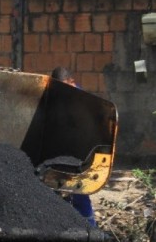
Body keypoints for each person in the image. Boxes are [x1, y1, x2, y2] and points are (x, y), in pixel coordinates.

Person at [50, 66, 98, 228]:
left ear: (72, 82)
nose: (61, 91)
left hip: (80, 152)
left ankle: (90, 228)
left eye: (64, 87)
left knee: (79, 190)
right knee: (51, 190)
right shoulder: (53, 96)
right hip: (58, 151)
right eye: (58, 87)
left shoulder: (83, 100)